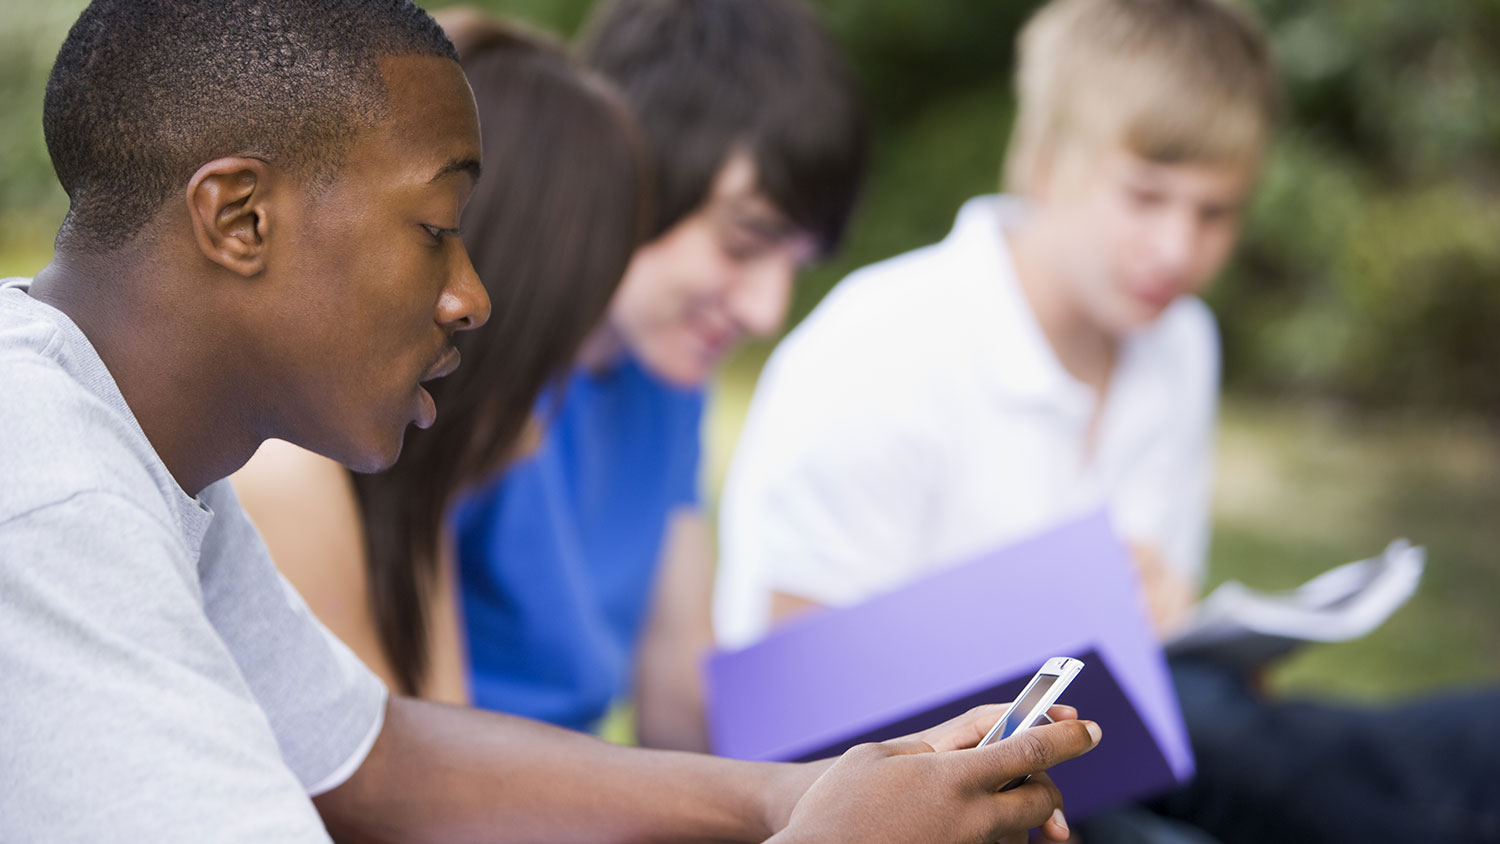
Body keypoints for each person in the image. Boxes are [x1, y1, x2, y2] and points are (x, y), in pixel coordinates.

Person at [0, 1, 1100, 842]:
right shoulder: (47, 504)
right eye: (436, 228)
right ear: (239, 217)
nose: (471, 296)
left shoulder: (149, 458)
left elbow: (371, 753)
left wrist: (796, 791)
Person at [712, 0, 1500, 841]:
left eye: (1215, 213)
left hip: (1114, 752)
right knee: (1280, 757)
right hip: (912, 797)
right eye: (1146, 197)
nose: (1175, 250)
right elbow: (785, 689)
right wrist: (1041, 611)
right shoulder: (880, 343)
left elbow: (1157, 633)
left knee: (1261, 740)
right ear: (1047, 166)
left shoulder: (1178, 343)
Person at [451, 0, 869, 752]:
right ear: (631, 161)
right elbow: (415, 747)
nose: (767, 310)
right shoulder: (464, 354)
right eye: (744, 243)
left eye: (794, 265)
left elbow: (680, 690)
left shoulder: (667, 379)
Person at [232, 10, 648, 704]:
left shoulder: (408, 500)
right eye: (544, 365)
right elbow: (384, 801)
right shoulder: (283, 476)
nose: (537, 430)